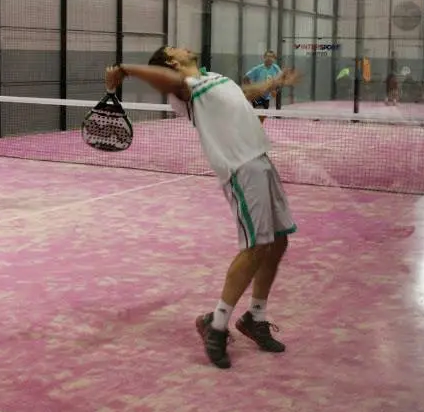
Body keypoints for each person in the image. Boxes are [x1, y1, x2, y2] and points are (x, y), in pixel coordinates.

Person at [105, 46, 300, 369]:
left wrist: (274, 83)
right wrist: (126, 69)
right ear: (172, 61)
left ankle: (255, 317)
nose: (184, 46)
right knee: (256, 246)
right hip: (240, 167)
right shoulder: (184, 90)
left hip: (261, 159)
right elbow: (167, 80)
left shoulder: (212, 79)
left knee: (278, 241)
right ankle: (217, 324)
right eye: (175, 48)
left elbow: (243, 94)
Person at [242, 50, 283, 123]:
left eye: (271, 57)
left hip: (267, 97)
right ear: (264, 57)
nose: (269, 58)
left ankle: (257, 127)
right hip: (257, 95)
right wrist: (251, 89)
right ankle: (254, 127)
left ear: (274, 59)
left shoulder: (276, 68)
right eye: (267, 56)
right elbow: (245, 78)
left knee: (263, 116)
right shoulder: (258, 69)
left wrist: (275, 90)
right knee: (259, 113)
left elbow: (280, 79)